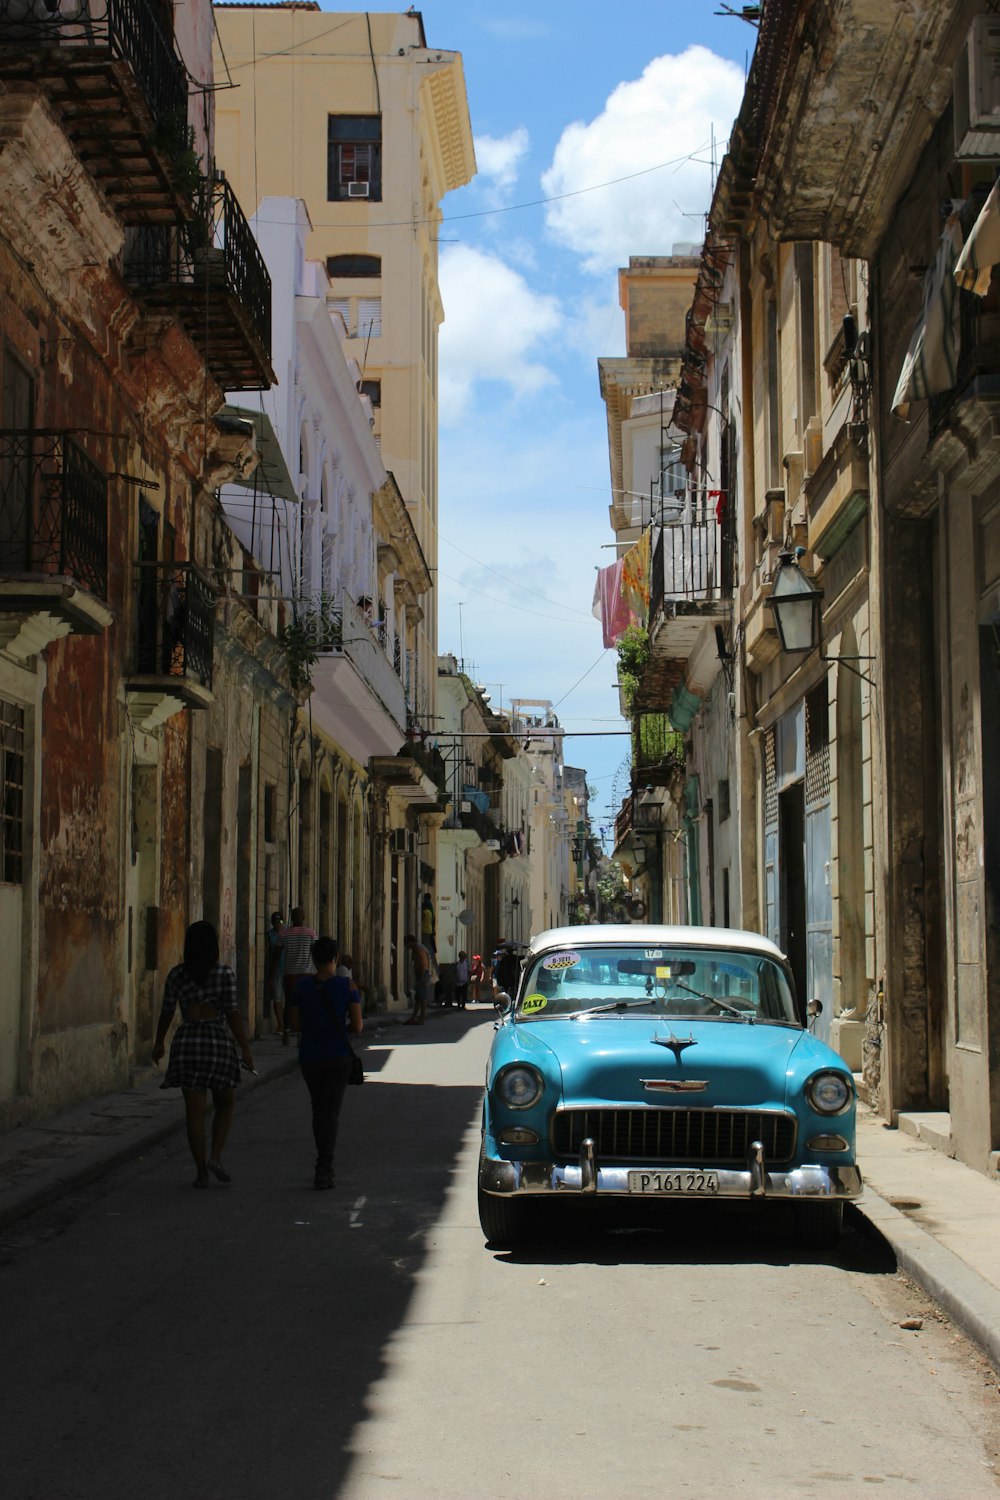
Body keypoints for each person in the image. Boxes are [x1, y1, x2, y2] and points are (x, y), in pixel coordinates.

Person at [152, 920, 253, 1188]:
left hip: (187, 1042)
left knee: (194, 1113)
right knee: (226, 1103)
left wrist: (159, 1042)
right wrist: (245, 1048)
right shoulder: (224, 974)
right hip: (216, 1041)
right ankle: (216, 1156)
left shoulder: (176, 975)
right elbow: (232, 1014)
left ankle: (201, 1172)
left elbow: (167, 1012)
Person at [287, 936, 363, 1190]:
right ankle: (324, 1166)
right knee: (331, 1113)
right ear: (335, 959)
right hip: (338, 1055)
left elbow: (295, 1025)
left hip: (310, 1055)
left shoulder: (301, 987)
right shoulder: (347, 986)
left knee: (318, 1110)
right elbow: (358, 1025)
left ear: (313, 959)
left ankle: (323, 1162)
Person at [280, 906, 316, 1044]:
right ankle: (302, 1033)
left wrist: (271, 976)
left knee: (289, 1003)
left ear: (291, 917)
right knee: (305, 1004)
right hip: (306, 974)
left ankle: (287, 1032)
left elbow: (276, 956)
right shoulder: (311, 933)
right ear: (303, 917)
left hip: (289, 974)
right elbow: (314, 953)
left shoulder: (284, 934)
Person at [403, 932, 431, 1025]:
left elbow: (423, 962)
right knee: (418, 997)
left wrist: (423, 975)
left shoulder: (419, 949)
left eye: (406, 943)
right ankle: (414, 1017)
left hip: (422, 974)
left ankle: (421, 1018)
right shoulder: (416, 949)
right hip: (420, 974)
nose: (406, 946)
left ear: (411, 942)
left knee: (422, 997)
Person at [265, 910, 285, 1035]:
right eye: (276, 921)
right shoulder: (269, 935)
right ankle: (281, 1024)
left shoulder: (286, 934)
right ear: (273, 923)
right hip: (275, 970)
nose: (279, 924)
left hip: (287, 969)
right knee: (277, 998)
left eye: (281, 921)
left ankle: (285, 1024)